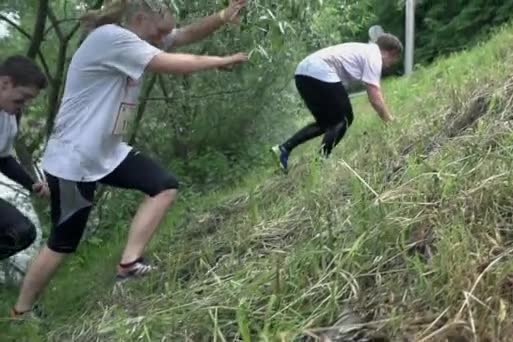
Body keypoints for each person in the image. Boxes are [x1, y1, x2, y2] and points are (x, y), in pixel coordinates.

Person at [11, 0, 249, 318]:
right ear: (140, 19)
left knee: (163, 185)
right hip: (75, 160)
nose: (164, 36)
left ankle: (129, 264)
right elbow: (172, 62)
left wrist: (221, 17)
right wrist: (220, 60)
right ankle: (21, 312)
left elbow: (184, 36)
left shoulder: (140, 37)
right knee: (63, 242)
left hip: (108, 153)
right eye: (160, 30)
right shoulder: (112, 38)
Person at [271, 34, 403, 172]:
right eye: (392, 61)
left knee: (327, 123)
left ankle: (284, 149)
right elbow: (375, 96)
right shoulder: (374, 56)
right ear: (391, 53)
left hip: (302, 73)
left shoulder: (363, 50)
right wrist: (389, 121)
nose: (389, 65)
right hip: (319, 70)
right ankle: (321, 161)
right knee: (344, 118)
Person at [0, 56, 49, 263]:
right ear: (5, 83)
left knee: (22, 232)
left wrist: (32, 184)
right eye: (21, 98)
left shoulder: (9, 117)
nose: (23, 106)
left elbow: (2, 159)